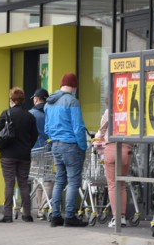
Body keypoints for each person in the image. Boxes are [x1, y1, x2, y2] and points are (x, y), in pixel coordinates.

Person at [45, 73, 89, 227]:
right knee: (73, 181)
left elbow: (47, 128)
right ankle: (70, 216)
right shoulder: (72, 101)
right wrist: (83, 146)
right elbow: (78, 128)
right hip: (71, 145)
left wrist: (56, 138)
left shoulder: (49, 103)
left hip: (56, 144)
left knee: (59, 180)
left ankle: (55, 215)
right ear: (74, 86)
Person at [0, 87, 39, 223]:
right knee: (23, 183)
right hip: (24, 155)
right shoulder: (29, 116)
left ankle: (8, 215)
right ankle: (27, 214)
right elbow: (34, 136)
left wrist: (0, 146)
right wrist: (27, 146)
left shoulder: (6, 114)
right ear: (23, 100)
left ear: (11, 99)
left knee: (9, 184)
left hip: (7, 154)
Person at [93, 94, 133, 228]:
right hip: (126, 149)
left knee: (112, 184)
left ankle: (116, 218)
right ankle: (122, 217)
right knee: (121, 184)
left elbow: (101, 130)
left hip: (111, 148)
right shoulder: (129, 113)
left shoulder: (108, 113)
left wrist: (97, 140)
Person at [29, 88, 52, 220]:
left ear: (36, 99)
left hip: (35, 150)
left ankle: (38, 208)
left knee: (37, 180)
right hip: (49, 149)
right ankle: (43, 208)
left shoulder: (31, 113)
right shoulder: (51, 112)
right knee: (48, 180)